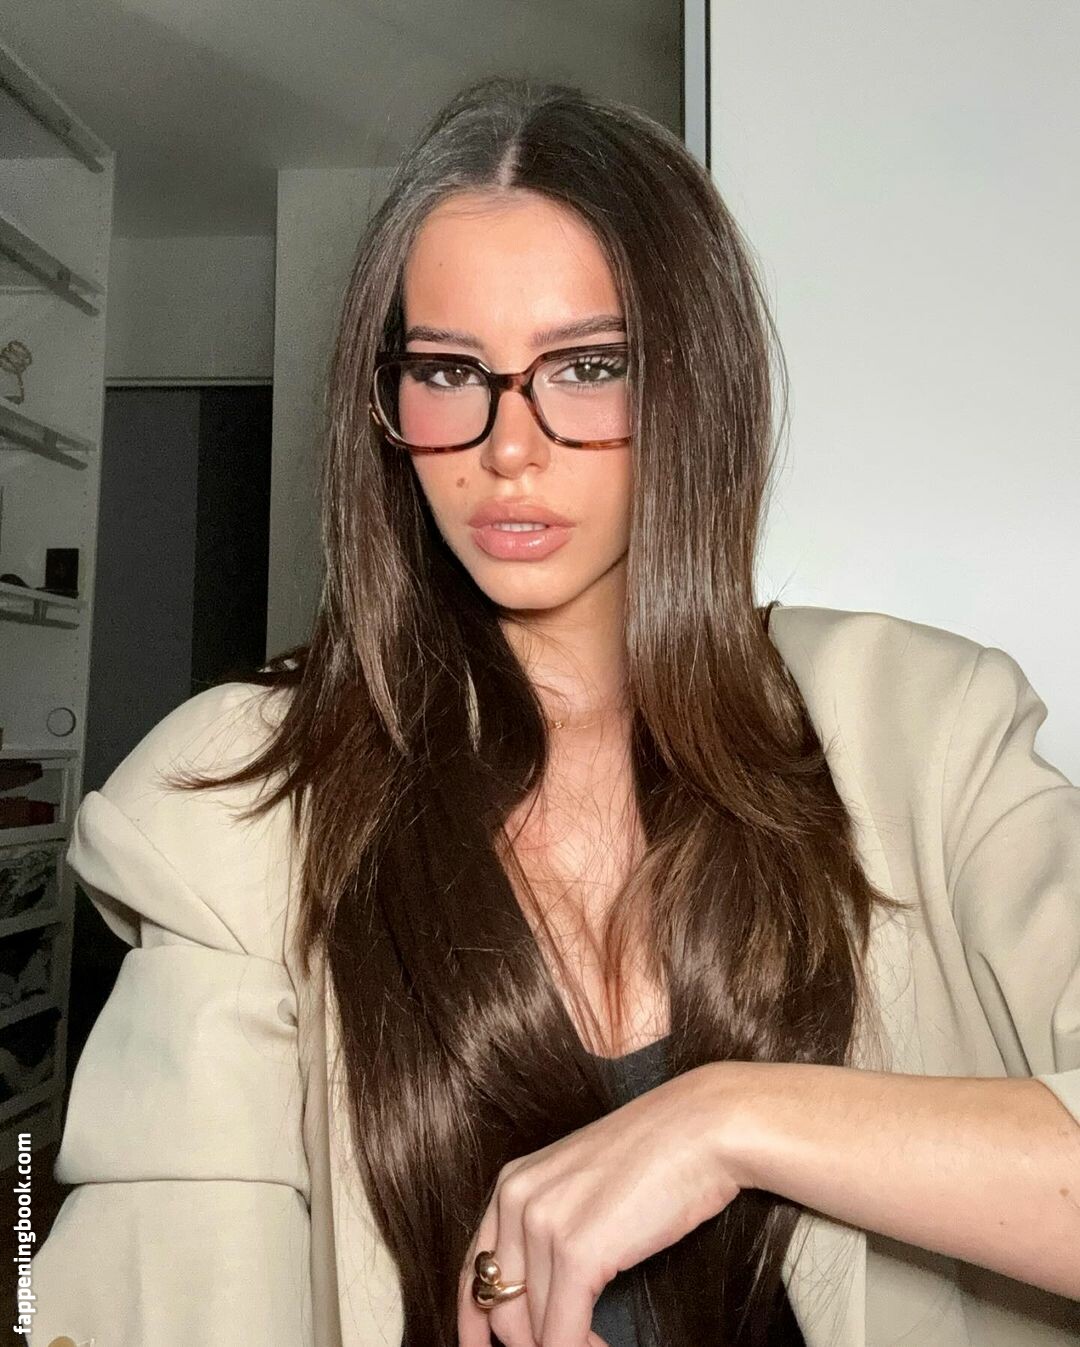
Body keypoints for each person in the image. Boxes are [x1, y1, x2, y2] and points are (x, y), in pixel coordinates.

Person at [29, 74, 1079, 1347]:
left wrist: (732, 1120)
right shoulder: (235, 806)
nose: (507, 446)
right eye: (448, 370)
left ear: (696, 387)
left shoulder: (927, 730)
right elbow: (160, 1296)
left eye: (587, 366)